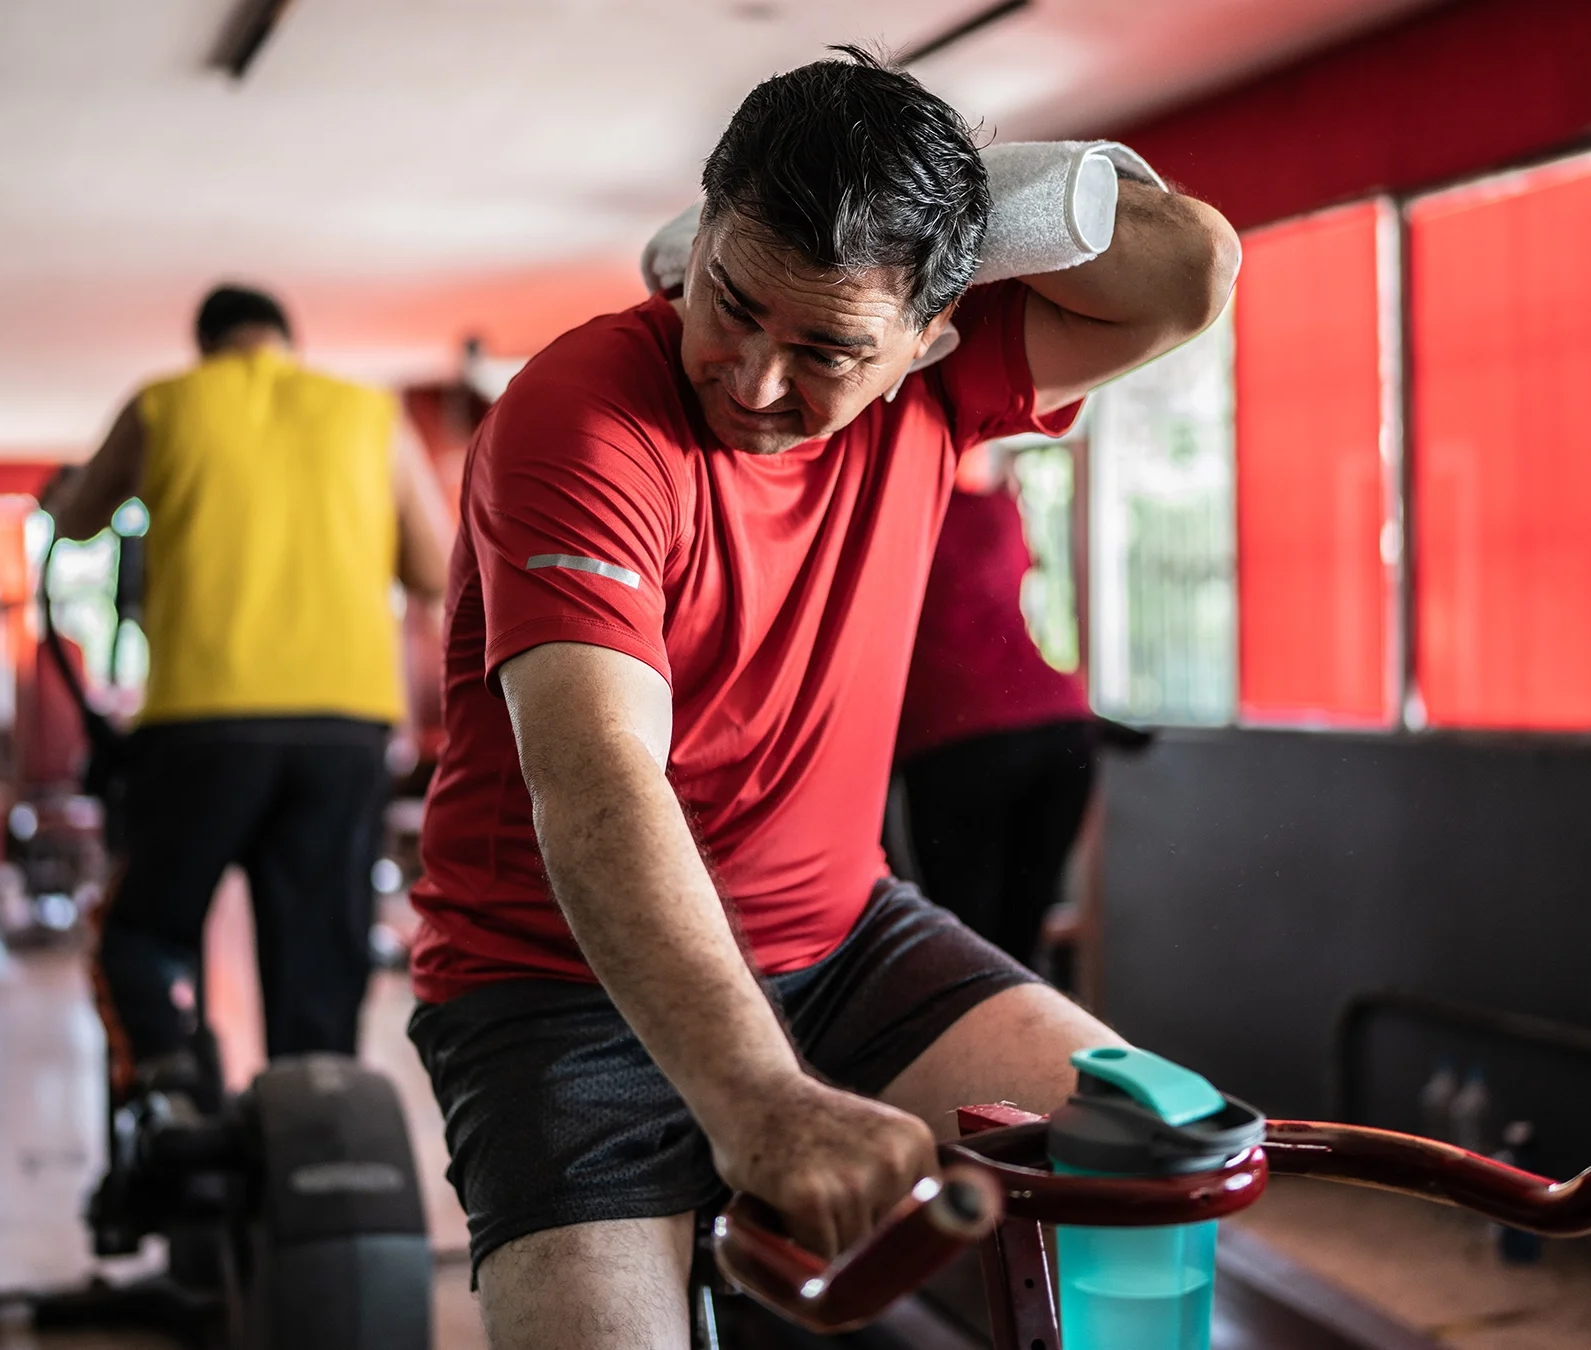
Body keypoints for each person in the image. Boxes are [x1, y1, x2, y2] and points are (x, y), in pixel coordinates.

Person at [406, 49, 1238, 1348]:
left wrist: (954, 196)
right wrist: (756, 1096)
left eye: (828, 347)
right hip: (556, 979)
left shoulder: (937, 395)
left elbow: (1192, 272)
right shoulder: (580, 416)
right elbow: (599, 777)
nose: (750, 379)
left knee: (1162, 1148)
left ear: (930, 341)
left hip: (841, 937)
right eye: (730, 300)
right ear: (705, 238)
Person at [46, 284, 450, 1103]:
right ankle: (317, 1142)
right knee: (319, 965)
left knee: (142, 935)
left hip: (202, 725)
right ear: (284, 342)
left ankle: (178, 1095)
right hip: (344, 731)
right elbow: (435, 570)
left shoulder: (167, 401)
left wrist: (64, 494)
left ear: (208, 346)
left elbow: (76, 521)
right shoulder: (369, 415)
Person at [894, 440, 1117, 971]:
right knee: (1019, 938)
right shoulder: (998, 507)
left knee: (964, 937)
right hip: (1061, 726)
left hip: (958, 738)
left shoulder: (894, 523)